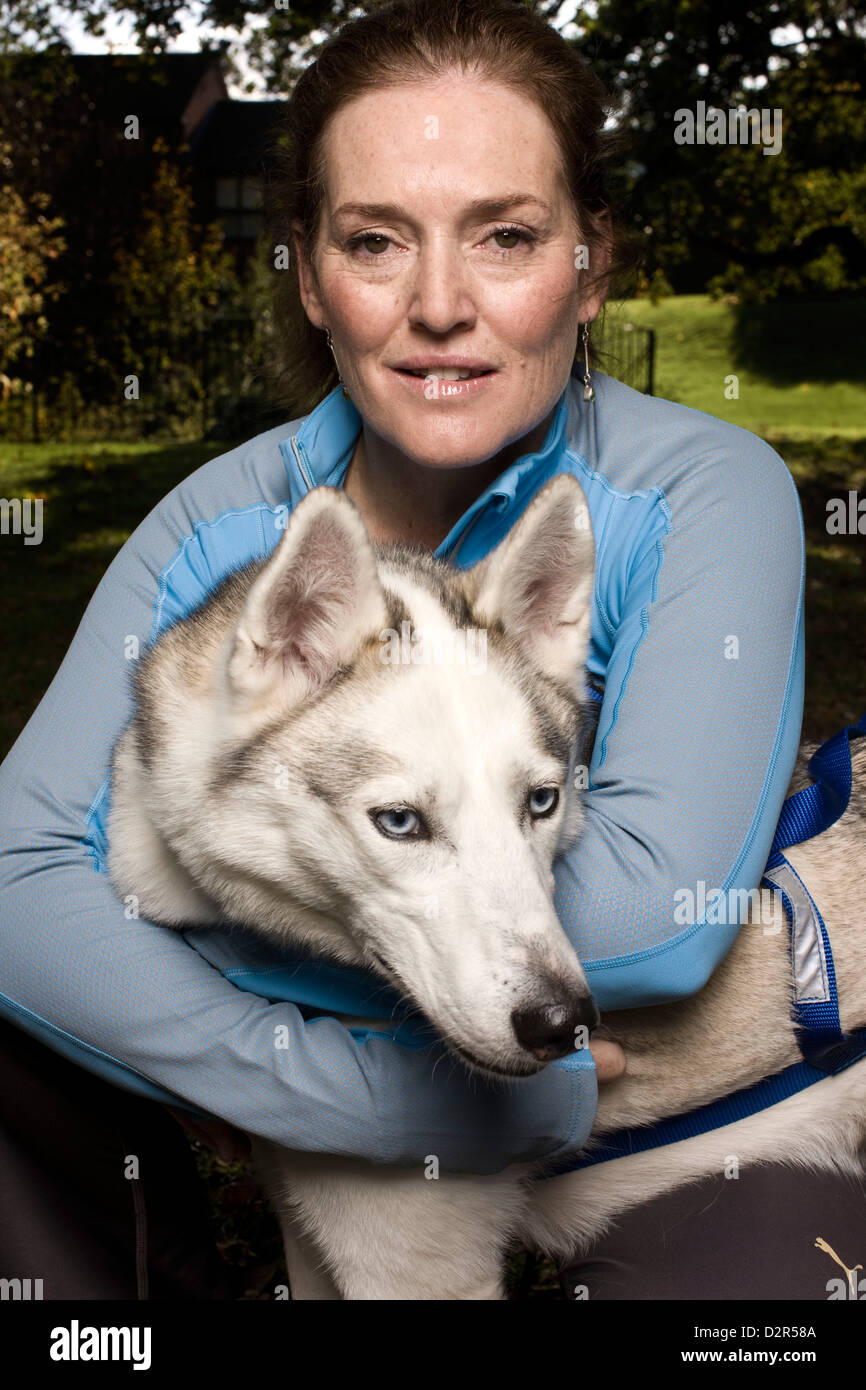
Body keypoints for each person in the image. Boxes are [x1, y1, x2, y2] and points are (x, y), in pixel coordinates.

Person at [0, 0, 856, 1301]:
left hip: (675, 1107)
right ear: (306, 272)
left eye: (504, 237)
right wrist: (325, 1085)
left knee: (765, 1295)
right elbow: (13, 874)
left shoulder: (696, 488)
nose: (439, 306)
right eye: (375, 242)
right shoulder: (222, 522)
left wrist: (164, 948)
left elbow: (656, 922)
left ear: (588, 261)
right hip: (401, 1067)